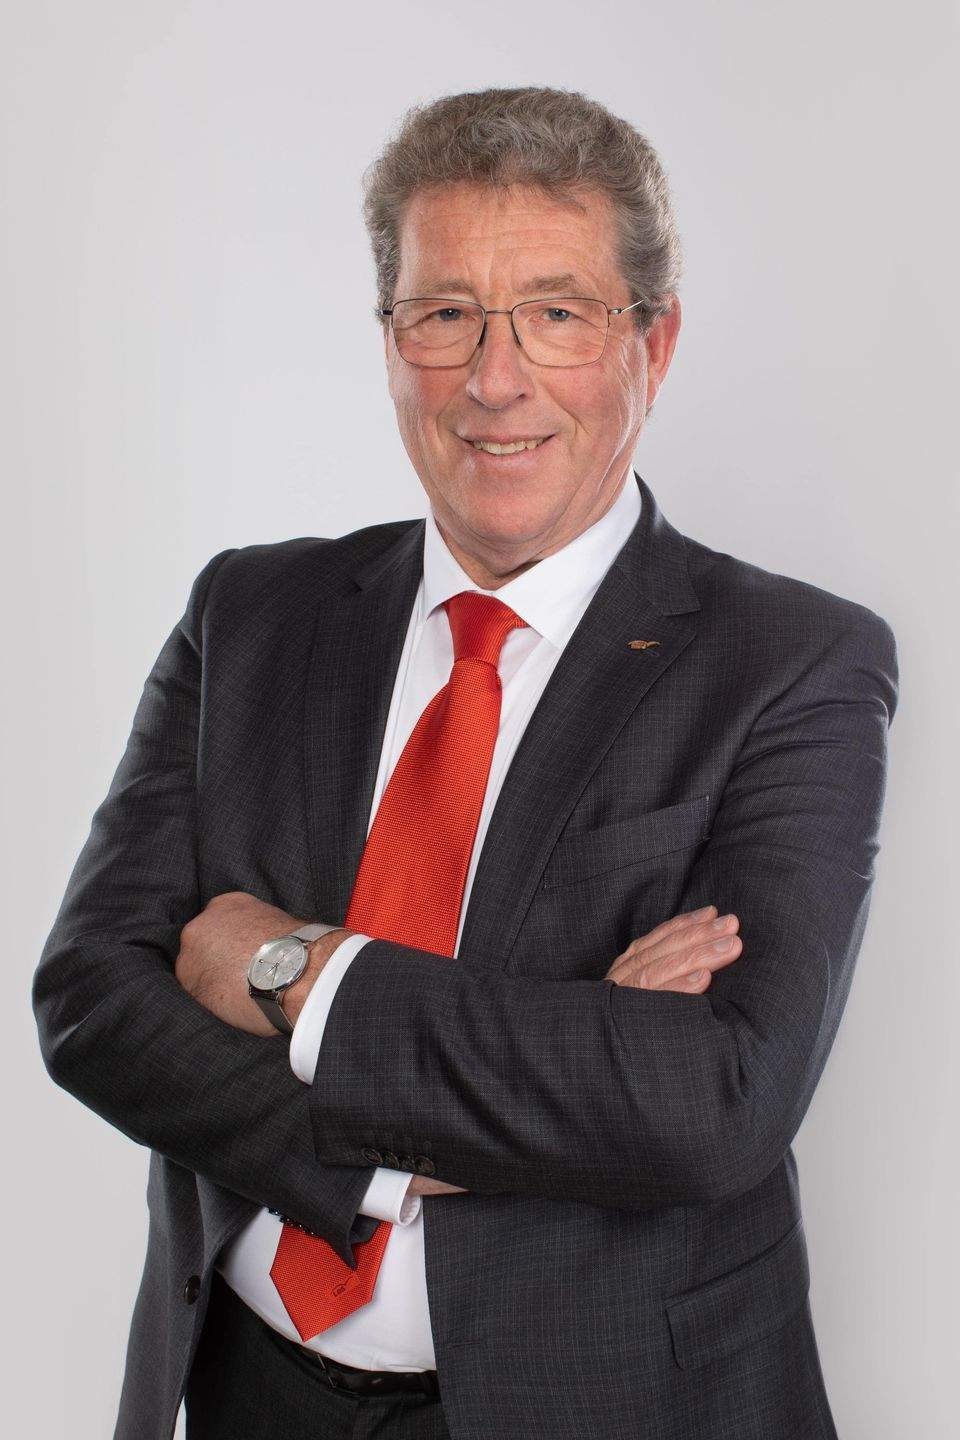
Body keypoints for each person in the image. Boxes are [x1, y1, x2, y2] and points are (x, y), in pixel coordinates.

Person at [32, 86, 898, 1440]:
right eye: (445, 315)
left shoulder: (792, 663)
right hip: (247, 1392)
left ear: (654, 345)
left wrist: (295, 971)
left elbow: (718, 1098)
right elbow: (93, 999)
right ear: (390, 341)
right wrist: (458, 1114)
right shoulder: (250, 613)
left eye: (558, 314)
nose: (496, 380)